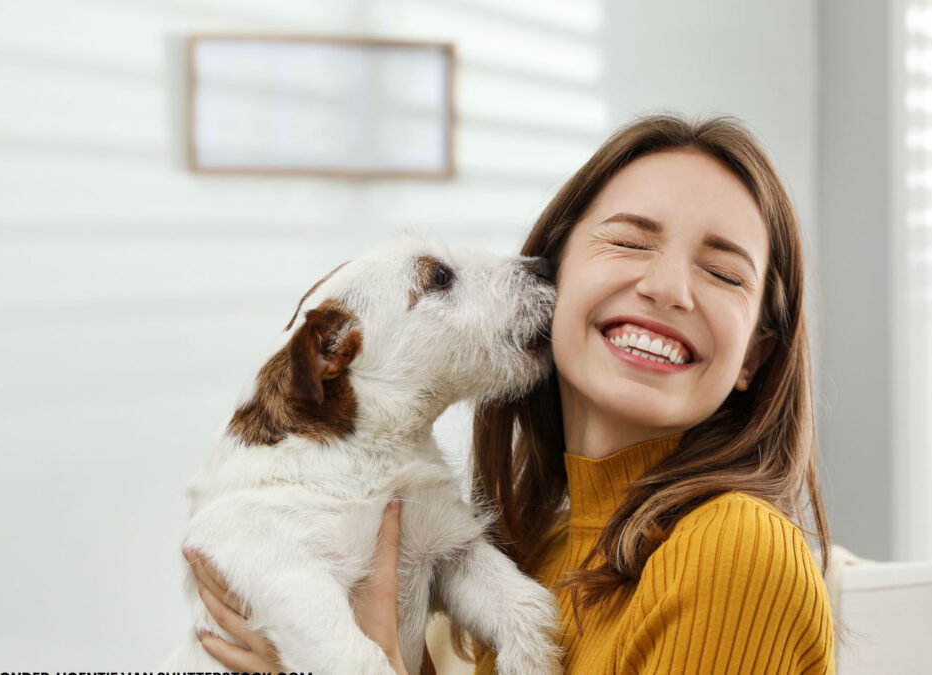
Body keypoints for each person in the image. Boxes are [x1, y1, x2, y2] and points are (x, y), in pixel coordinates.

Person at [184, 114, 835, 674]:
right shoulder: (539, 549)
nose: (669, 288)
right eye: (631, 240)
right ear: (554, 273)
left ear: (753, 354)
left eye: (723, 272)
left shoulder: (738, 552)